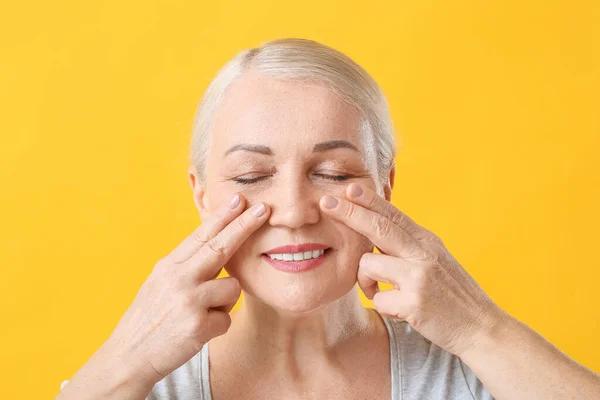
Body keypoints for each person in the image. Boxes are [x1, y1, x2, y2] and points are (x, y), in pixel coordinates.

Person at [57, 38, 600, 400]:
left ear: (384, 186)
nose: (293, 212)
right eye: (250, 177)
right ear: (201, 196)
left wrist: (484, 329)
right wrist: (123, 361)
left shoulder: (477, 373)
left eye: (335, 173)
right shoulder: (137, 384)